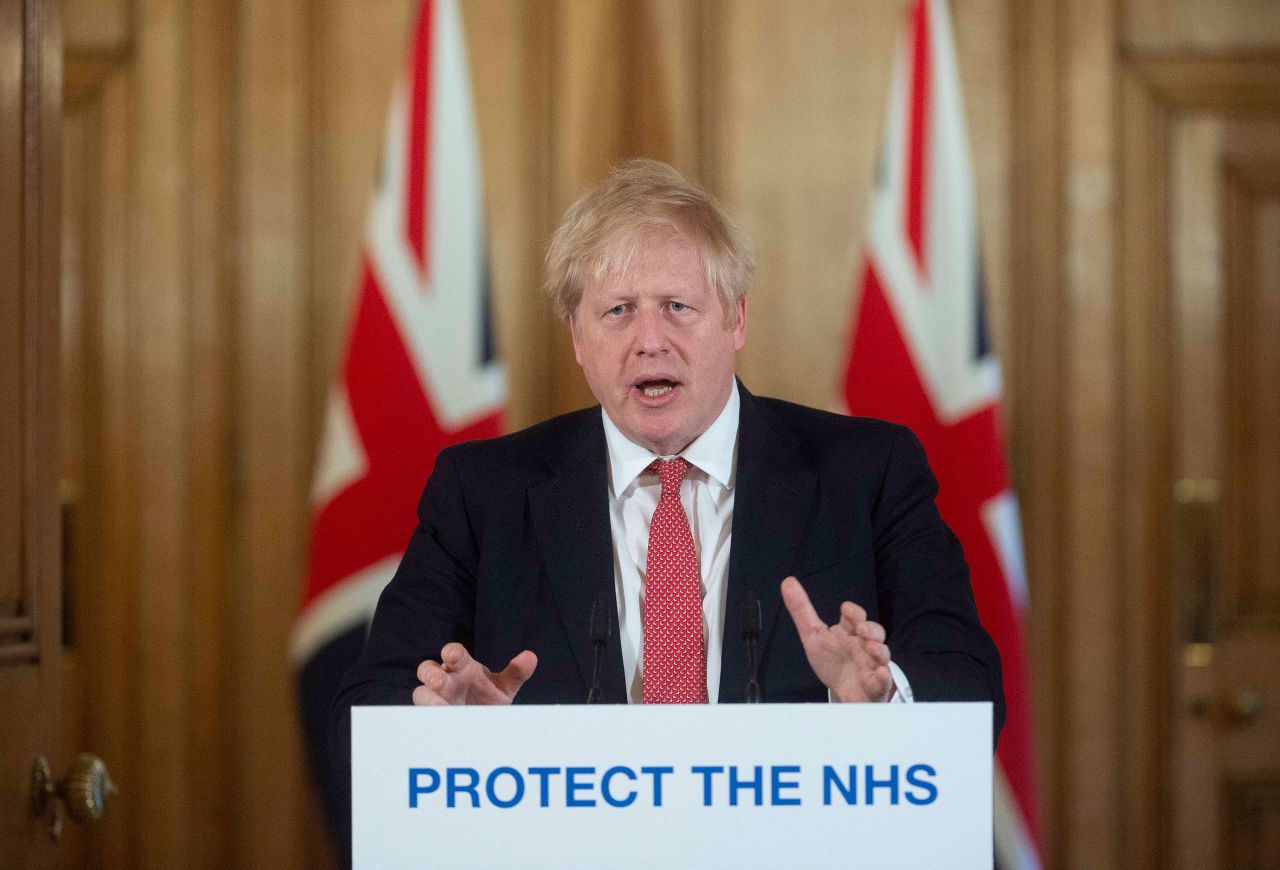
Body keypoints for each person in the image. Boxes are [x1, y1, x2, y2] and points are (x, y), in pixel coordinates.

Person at [330, 158, 1003, 834]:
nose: (650, 342)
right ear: (577, 337)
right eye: (618, 311)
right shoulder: (482, 494)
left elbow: (971, 688)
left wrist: (878, 709)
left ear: (736, 320)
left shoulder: (868, 473)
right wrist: (450, 744)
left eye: (678, 308)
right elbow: (365, 713)